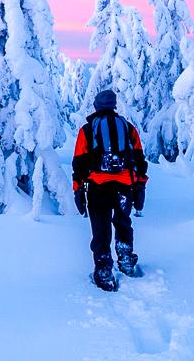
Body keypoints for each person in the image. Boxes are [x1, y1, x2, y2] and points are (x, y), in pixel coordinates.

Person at [71, 89, 148, 292]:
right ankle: (125, 259)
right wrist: (140, 184)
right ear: (114, 106)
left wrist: (77, 188)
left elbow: (78, 162)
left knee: (100, 228)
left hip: (97, 187)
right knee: (123, 222)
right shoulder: (128, 128)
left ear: (96, 106)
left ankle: (104, 270)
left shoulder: (87, 130)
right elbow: (140, 159)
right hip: (124, 186)